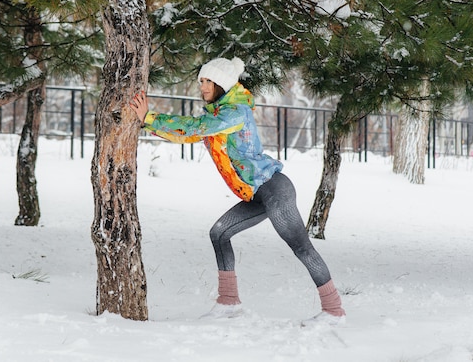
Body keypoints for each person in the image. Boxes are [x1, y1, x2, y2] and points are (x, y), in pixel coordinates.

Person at [129, 57, 346, 326]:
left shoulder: (235, 113)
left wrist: (151, 117)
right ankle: (228, 303)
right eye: (201, 81)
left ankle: (333, 310)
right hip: (254, 193)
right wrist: (145, 122)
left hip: (274, 189)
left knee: (299, 245)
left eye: (208, 81)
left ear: (221, 84)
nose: (203, 86)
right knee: (219, 233)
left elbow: (195, 128)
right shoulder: (218, 115)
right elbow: (189, 133)